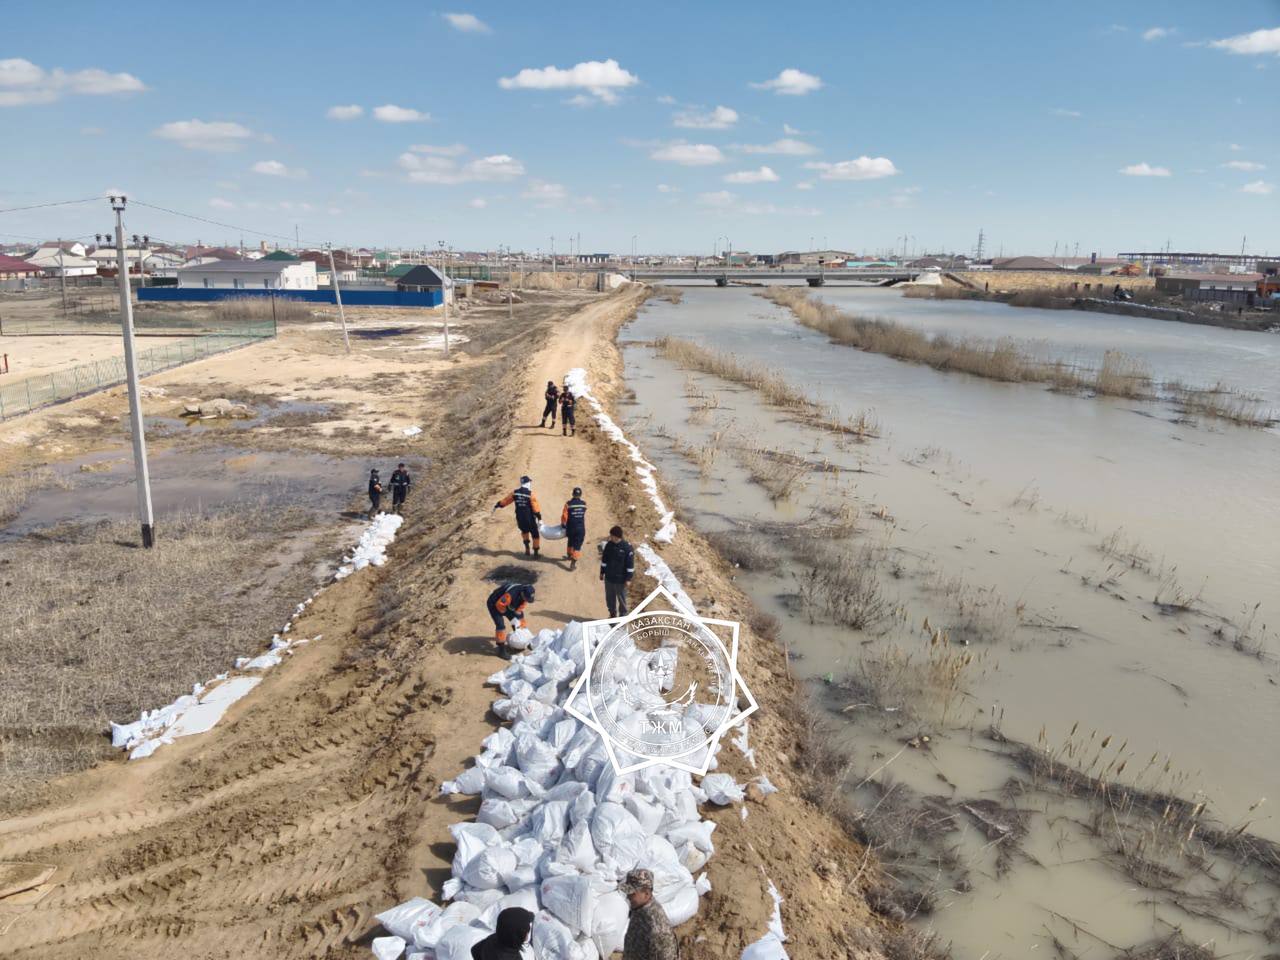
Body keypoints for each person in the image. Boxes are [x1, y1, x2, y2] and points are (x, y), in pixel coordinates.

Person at [620, 869, 679, 960]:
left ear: (646, 894)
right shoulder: (639, 908)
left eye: (632, 893)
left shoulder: (658, 930)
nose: (628, 896)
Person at [493, 475, 542, 556]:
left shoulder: (515, 492)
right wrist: (539, 518)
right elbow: (535, 508)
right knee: (535, 534)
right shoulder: (530, 494)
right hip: (530, 519)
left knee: (524, 532)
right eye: (529, 482)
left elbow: (505, 501)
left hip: (520, 518)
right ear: (528, 483)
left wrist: (498, 505)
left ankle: (527, 548)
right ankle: (536, 553)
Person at [486, 582, 535, 660]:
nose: (527, 600)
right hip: (494, 604)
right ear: (522, 594)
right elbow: (500, 606)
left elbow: (519, 610)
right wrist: (509, 613)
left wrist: (519, 623)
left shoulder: (525, 594)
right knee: (500, 625)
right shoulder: (511, 594)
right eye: (526, 599)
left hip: (507, 605)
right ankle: (501, 650)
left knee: (517, 621)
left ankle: (521, 639)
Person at [600, 525, 635, 618]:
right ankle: (612, 615)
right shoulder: (609, 545)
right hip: (609, 578)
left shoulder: (627, 548)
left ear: (616, 536)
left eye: (611, 536)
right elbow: (604, 560)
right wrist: (602, 572)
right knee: (609, 598)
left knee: (622, 600)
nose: (610, 537)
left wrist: (628, 579)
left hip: (620, 580)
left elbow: (630, 566)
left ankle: (623, 617)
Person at [561, 486, 587, 570]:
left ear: (572, 494)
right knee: (578, 545)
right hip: (580, 528)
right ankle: (573, 563)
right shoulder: (584, 504)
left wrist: (563, 524)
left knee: (571, 540)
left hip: (571, 527)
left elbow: (565, 516)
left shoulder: (568, 504)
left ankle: (569, 554)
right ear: (580, 495)